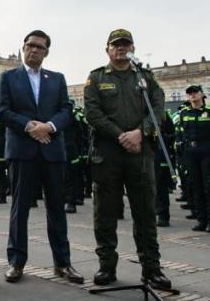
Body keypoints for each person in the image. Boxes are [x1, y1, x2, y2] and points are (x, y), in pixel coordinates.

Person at [84, 29, 171, 290]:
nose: (121, 49)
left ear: (132, 47)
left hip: (139, 154)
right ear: (107, 49)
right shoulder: (96, 77)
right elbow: (93, 113)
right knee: (105, 214)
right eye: (116, 45)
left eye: (126, 44)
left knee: (145, 213)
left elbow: (158, 109)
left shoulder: (145, 77)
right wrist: (122, 135)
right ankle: (107, 267)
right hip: (108, 154)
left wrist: (139, 133)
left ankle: (151, 269)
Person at [0, 30, 83, 284]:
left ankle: (63, 263)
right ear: (23, 48)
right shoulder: (9, 77)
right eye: (29, 45)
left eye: (39, 47)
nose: (33, 50)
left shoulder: (56, 79)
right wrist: (30, 127)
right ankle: (16, 262)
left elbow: (66, 110)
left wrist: (49, 127)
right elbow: (2, 110)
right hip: (22, 151)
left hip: (52, 151)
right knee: (19, 209)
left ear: (46, 52)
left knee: (57, 208)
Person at [178, 85, 210, 232]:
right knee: (195, 186)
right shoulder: (184, 113)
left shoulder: (208, 111)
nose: (192, 95)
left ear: (202, 94)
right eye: (189, 93)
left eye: (195, 92)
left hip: (206, 152)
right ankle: (201, 220)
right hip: (190, 152)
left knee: (207, 186)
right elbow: (183, 134)